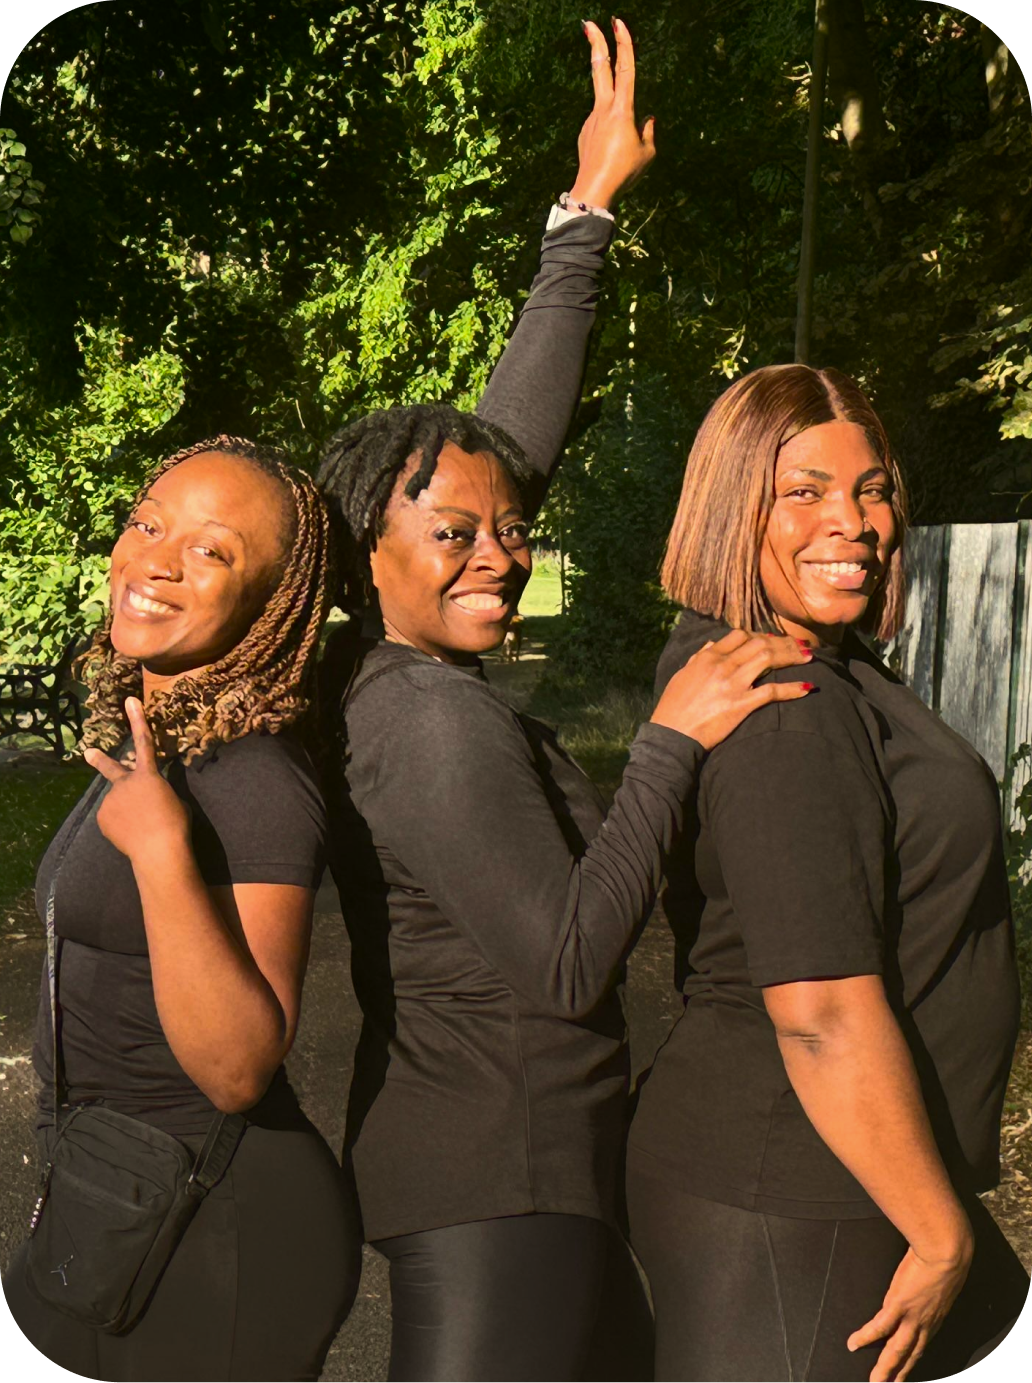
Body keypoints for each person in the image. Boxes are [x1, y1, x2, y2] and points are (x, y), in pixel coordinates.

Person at [314, 25, 817, 1383]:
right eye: (459, 537)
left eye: (514, 528)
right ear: (371, 544)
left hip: (532, 1166)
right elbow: (564, 958)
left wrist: (584, 217)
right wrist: (666, 744)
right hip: (501, 1173)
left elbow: (491, 458)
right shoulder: (428, 719)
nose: (503, 551)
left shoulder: (406, 662)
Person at [625, 363, 1029, 1383]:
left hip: (845, 1177)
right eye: (802, 491)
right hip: (793, 1195)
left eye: (873, 488)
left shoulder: (814, 666)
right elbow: (821, 1009)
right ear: (733, 506)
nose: (853, 523)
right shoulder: (781, 698)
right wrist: (942, 1235)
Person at [2, 436, 361, 1382]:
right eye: (147, 523)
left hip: (220, 1226)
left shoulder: (255, 775)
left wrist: (163, 852)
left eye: (211, 549)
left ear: (274, 598)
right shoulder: (159, 731)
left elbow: (242, 1066)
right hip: (116, 1194)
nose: (155, 558)